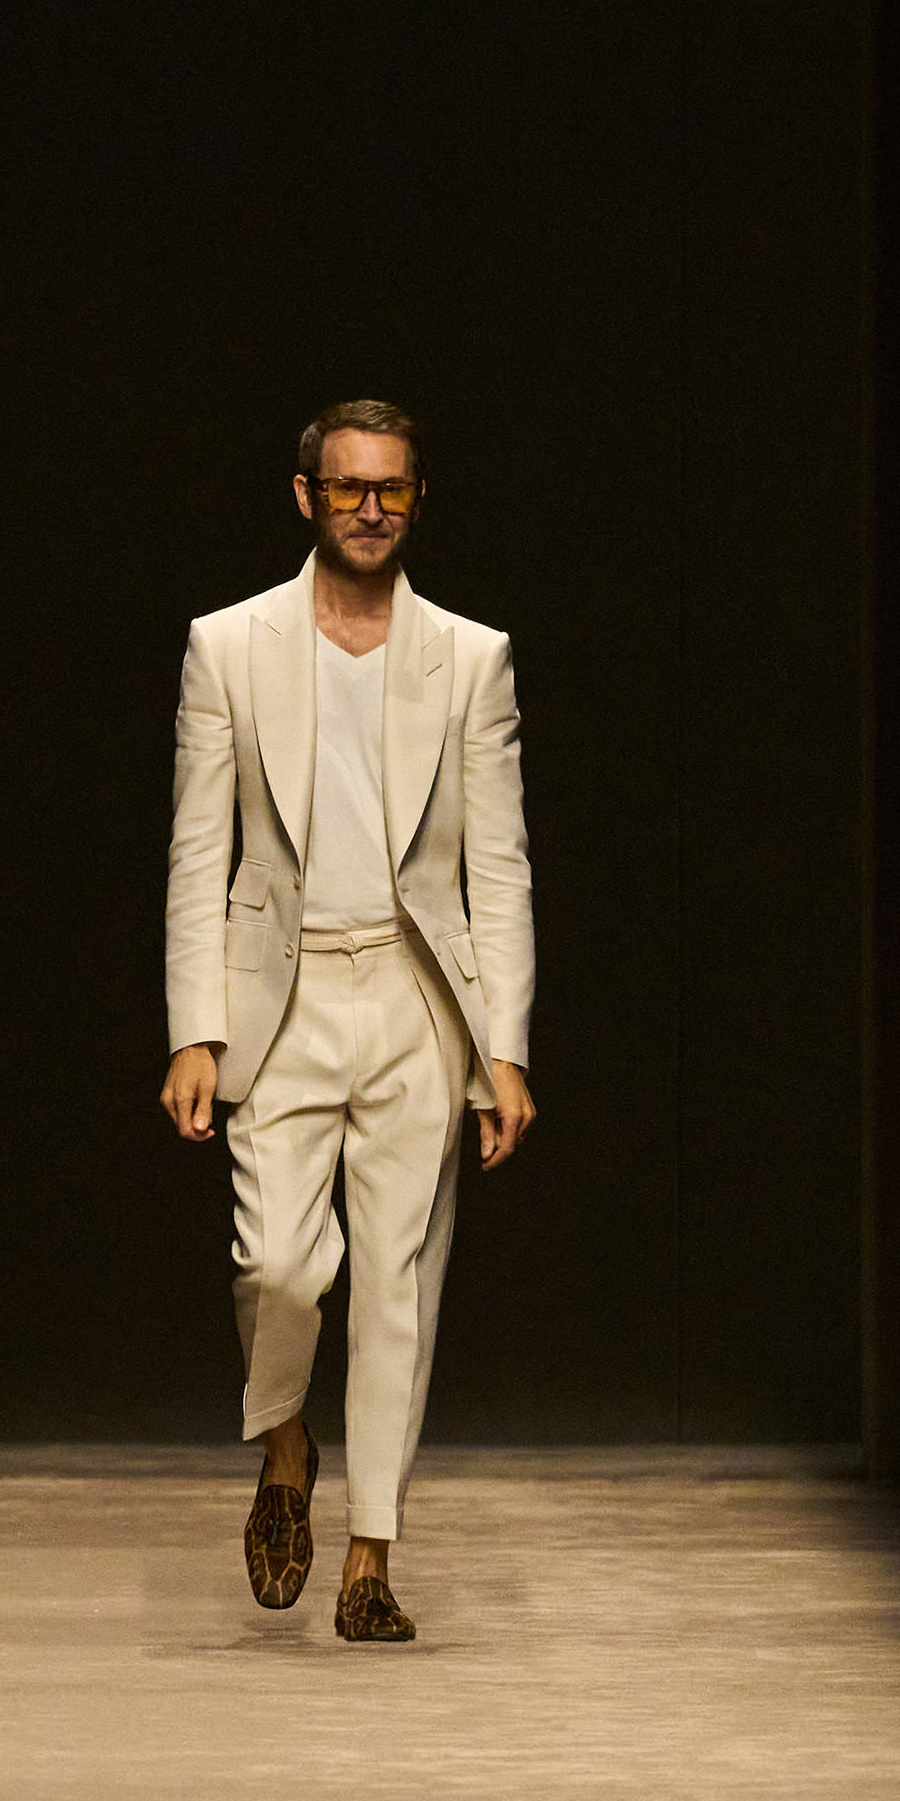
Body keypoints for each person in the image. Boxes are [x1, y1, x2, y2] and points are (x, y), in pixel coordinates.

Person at [160, 400, 536, 1640]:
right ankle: (285, 1447)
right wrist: (193, 1028)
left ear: (418, 498)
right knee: (276, 1266)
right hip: (282, 997)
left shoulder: (470, 657)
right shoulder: (230, 646)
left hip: (418, 1001)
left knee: (396, 1289)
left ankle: (370, 1557)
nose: (370, 509)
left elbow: (499, 867)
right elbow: (199, 851)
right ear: (305, 497)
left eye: (391, 489)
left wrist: (504, 1049)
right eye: (347, 488)